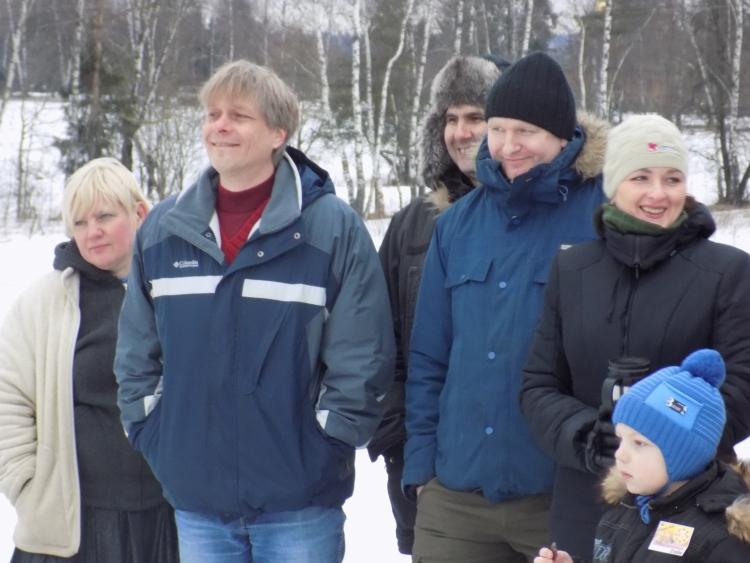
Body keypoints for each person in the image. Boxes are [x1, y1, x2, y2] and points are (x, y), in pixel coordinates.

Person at [114, 60, 395, 563]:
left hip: (299, 505)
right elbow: (137, 350)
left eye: (239, 115)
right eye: (212, 114)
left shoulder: (331, 229)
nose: (220, 126)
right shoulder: (162, 231)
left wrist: (327, 444)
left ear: (277, 134)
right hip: (198, 504)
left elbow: (363, 356)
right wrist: (150, 429)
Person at [403, 51, 607, 563]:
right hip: (457, 497)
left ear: (562, 135)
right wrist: (422, 469)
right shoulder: (456, 224)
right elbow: (428, 358)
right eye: (497, 129)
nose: (508, 146)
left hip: (565, 495)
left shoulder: (604, 212)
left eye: (526, 131)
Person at [520, 113, 750, 561]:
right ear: (613, 185)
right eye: (640, 177)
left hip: (691, 506)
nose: (658, 194)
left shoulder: (728, 272)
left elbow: (742, 387)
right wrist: (590, 436)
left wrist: (660, 438)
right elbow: (539, 384)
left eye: (672, 179)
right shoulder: (572, 269)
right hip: (585, 501)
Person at [0, 158, 179, 562]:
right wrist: (25, 482)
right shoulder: (46, 302)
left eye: (104, 216)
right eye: (79, 222)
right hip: (73, 526)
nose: (91, 232)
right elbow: (7, 396)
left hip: (166, 520)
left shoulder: (176, 291)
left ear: (139, 213)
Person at [367, 54, 506, 556]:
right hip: (428, 467)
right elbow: (379, 345)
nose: (461, 132)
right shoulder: (412, 224)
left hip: (522, 472)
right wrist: (401, 449)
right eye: (450, 118)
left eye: (476, 117)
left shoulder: (539, 223)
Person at [534, 349, 750, 563]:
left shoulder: (720, 539)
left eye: (639, 443)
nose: (620, 454)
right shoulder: (626, 507)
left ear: (684, 455)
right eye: (620, 439)